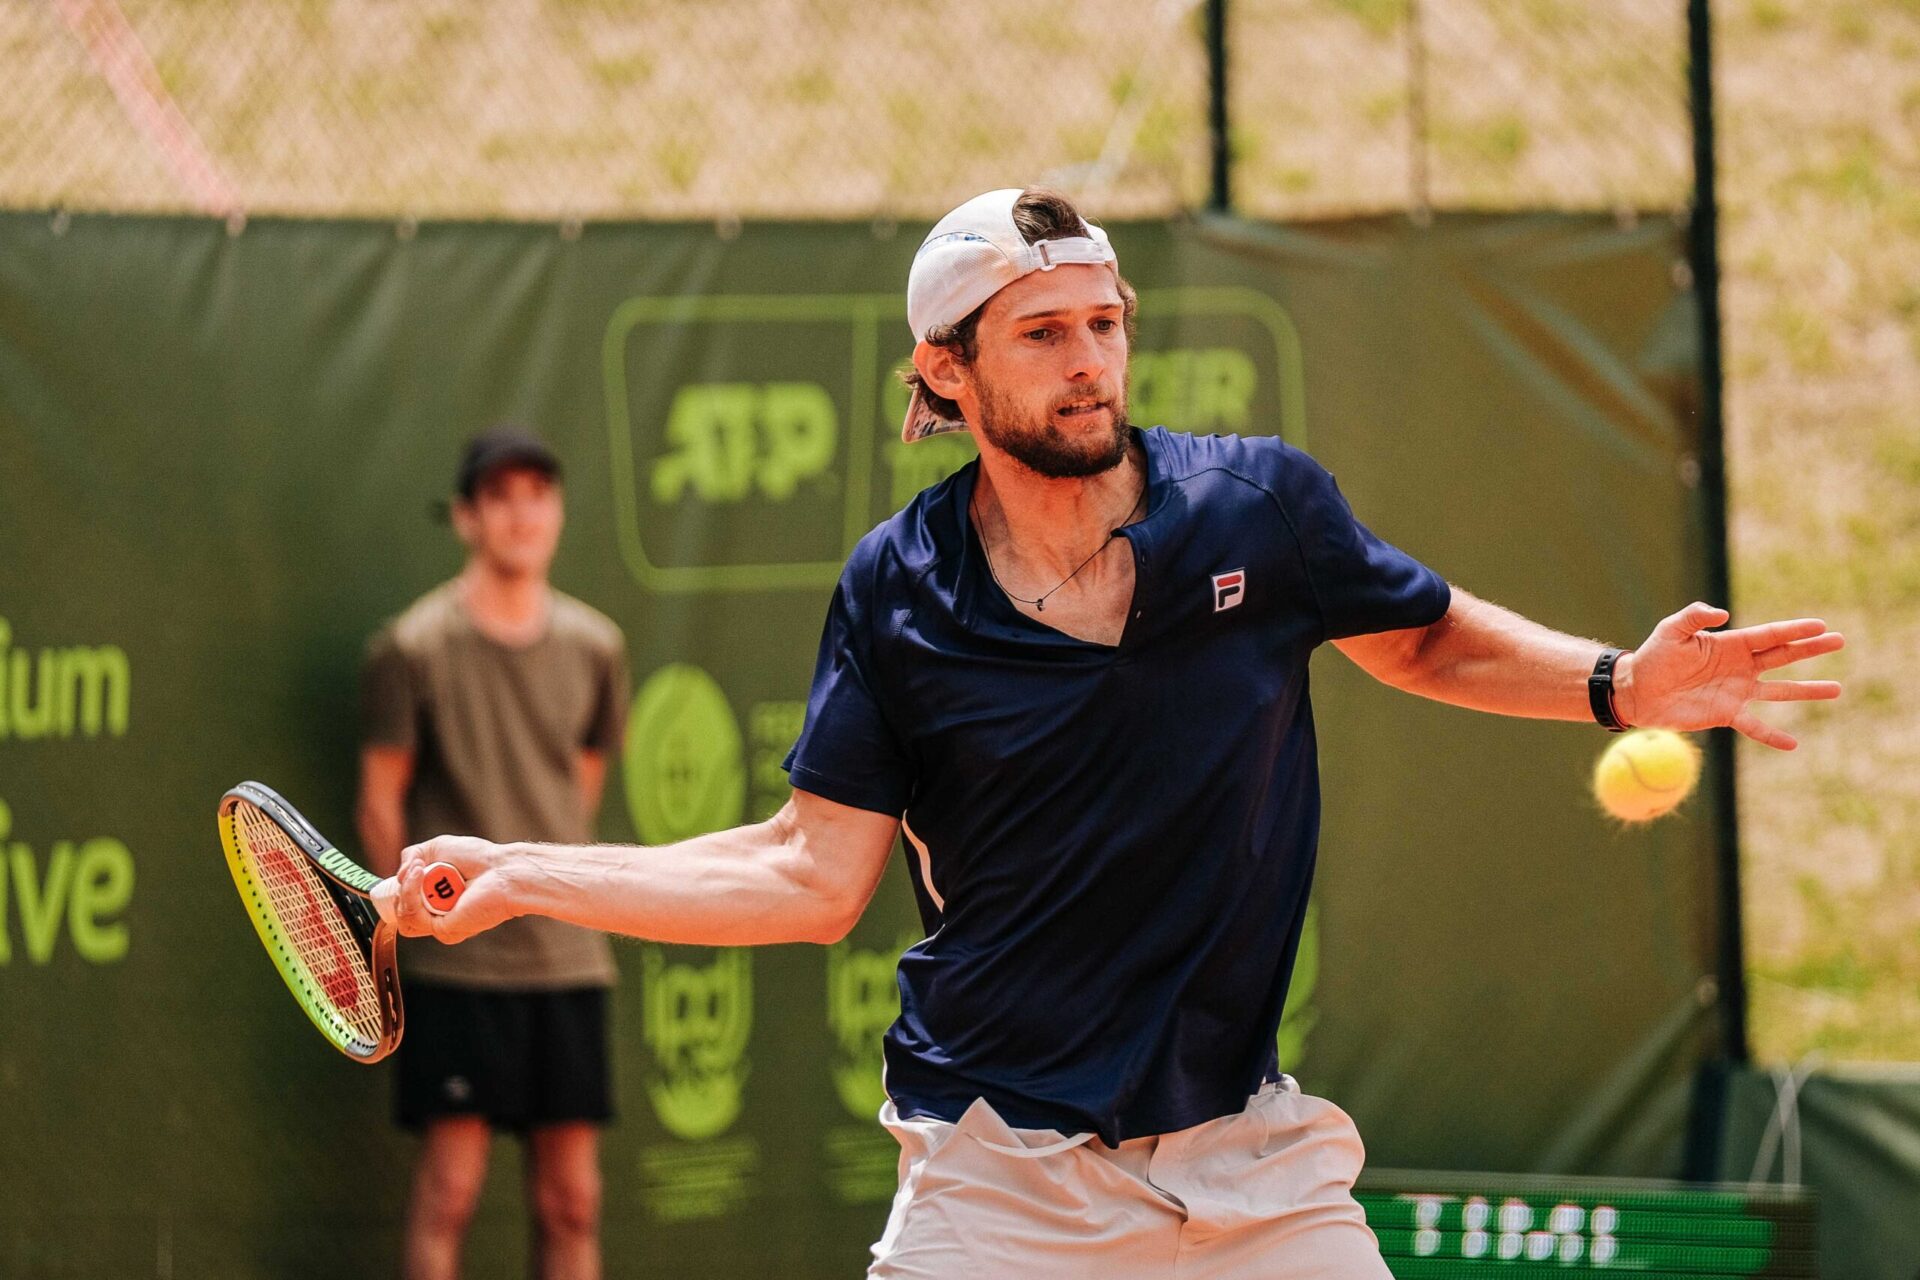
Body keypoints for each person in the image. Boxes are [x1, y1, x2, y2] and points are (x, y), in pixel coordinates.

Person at [385, 190, 1844, 1278]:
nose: (1090, 359)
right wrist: (523, 872)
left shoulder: (1258, 510)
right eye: (1044, 332)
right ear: (946, 373)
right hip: (1000, 1178)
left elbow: (1422, 632)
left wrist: (1615, 686)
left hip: (1250, 1161)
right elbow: (805, 874)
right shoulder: (898, 590)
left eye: (1107, 322)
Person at [359, 427, 630, 1280]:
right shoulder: (413, 648)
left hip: (567, 958)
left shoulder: (597, 648)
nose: (523, 515)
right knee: (450, 1191)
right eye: (501, 497)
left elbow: (576, 790)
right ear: (468, 517)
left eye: (539, 494)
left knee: (573, 1199)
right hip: (457, 969)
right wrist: (417, 920)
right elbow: (380, 801)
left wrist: (537, 887)